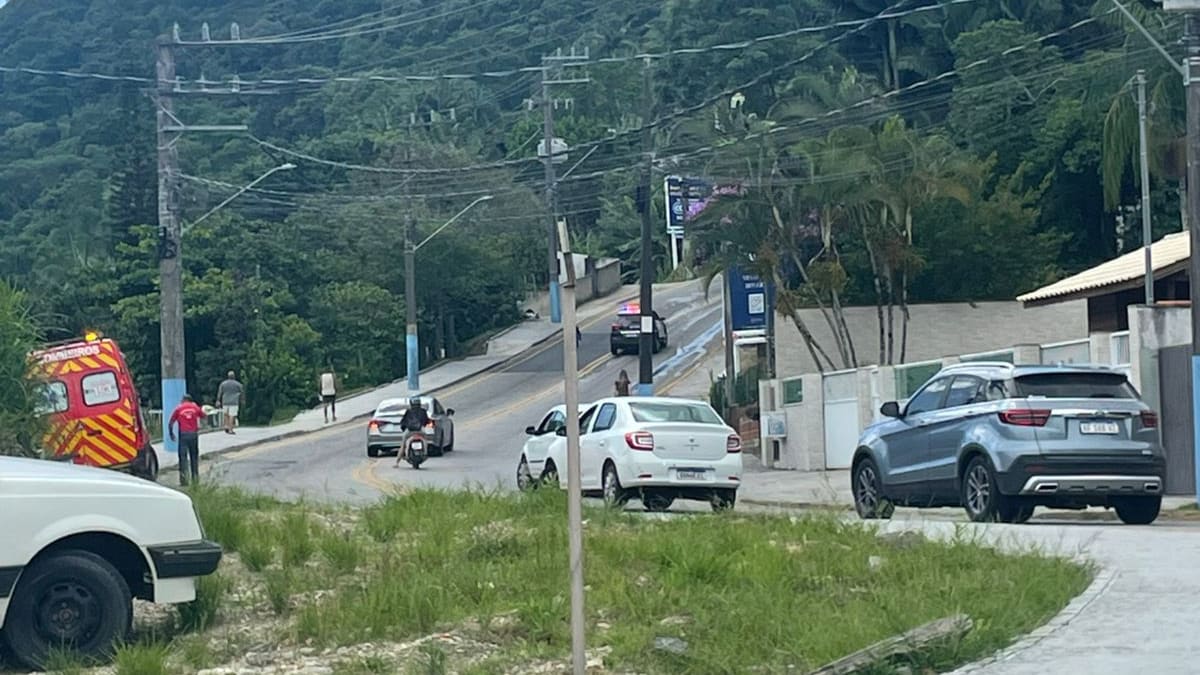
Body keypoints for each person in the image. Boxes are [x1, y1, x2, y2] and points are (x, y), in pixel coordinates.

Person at [168, 394, 204, 486]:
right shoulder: (195, 407)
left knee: (183, 458)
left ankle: (184, 481)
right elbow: (203, 415)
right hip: (193, 435)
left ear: (183, 400)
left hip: (183, 435)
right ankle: (195, 480)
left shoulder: (179, 408)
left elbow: (171, 422)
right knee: (194, 457)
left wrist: (171, 434)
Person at [396, 397, 430, 467]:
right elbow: (426, 421)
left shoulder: (408, 411)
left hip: (409, 431)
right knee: (425, 440)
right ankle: (425, 452)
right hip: (420, 430)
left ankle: (397, 462)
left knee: (403, 445)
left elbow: (403, 422)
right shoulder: (423, 411)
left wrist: (403, 428)